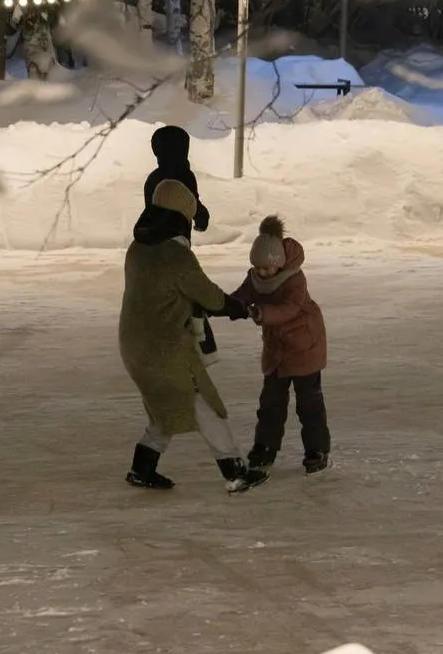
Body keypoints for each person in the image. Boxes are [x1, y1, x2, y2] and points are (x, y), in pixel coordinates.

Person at [119, 179, 268, 494]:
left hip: (134, 347)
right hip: (166, 349)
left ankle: (142, 467)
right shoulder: (175, 255)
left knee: (163, 405)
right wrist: (237, 307)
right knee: (204, 404)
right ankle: (235, 471)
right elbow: (209, 297)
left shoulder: (137, 248)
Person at [232, 215, 332, 475]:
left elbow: (289, 309)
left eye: (267, 268)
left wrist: (261, 313)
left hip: (304, 348)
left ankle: (317, 450)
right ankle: (265, 448)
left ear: (278, 263)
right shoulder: (256, 276)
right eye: (258, 268)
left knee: (309, 404)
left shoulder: (294, 279)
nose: (262, 272)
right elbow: (243, 294)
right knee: (270, 404)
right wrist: (226, 305)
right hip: (277, 350)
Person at [143, 125, 219, 365]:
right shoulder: (183, 177)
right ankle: (198, 350)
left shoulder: (154, 179)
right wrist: (201, 217)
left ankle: (179, 350)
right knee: (187, 294)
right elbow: (191, 203)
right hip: (175, 246)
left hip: (163, 246)